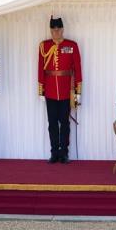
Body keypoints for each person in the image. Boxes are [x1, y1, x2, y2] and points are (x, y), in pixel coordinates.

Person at [38, 16, 82, 164]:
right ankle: (54, 153)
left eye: (58, 29)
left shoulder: (72, 45)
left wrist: (78, 91)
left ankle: (64, 153)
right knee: (52, 124)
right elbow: (40, 69)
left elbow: (77, 69)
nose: (56, 32)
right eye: (53, 29)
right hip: (50, 91)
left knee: (65, 123)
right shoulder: (44, 46)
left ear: (62, 29)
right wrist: (41, 90)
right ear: (50, 30)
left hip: (66, 91)